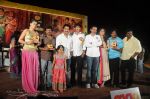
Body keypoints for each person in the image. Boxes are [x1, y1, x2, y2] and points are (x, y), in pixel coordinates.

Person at [18, 20, 40, 94]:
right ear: (30, 23)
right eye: (34, 23)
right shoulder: (26, 30)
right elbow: (20, 40)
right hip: (26, 51)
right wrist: (27, 42)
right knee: (28, 68)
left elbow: (36, 43)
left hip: (34, 51)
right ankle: (27, 86)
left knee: (34, 69)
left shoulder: (36, 33)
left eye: (36, 24)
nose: (35, 25)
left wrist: (38, 43)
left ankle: (33, 85)